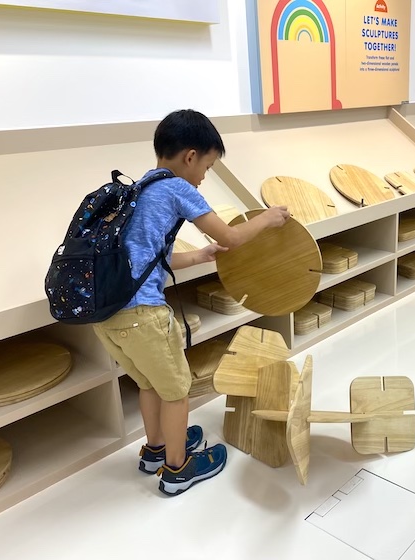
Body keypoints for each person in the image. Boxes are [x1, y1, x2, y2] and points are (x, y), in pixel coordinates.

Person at [92, 109, 290, 496]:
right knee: (177, 391)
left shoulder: (141, 186)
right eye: (208, 166)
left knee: (149, 384)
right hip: (145, 315)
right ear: (190, 156)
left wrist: (198, 257)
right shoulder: (179, 188)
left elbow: (147, 257)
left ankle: (156, 450)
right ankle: (178, 469)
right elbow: (232, 238)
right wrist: (268, 219)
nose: (204, 176)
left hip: (109, 316)